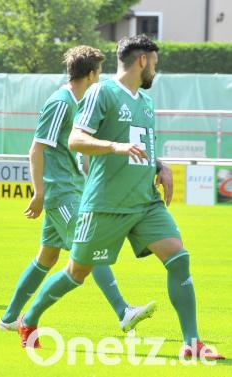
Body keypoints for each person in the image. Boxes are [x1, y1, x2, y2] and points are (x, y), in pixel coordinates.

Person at [17, 35, 224, 360]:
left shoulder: (146, 102)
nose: (155, 69)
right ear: (142, 60)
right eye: (154, 62)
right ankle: (28, 320)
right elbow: (76, 139)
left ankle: (192, 343)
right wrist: (114, 147)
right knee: (76, 273)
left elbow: (139, 146)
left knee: (178, 257)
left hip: (144, 202)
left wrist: (160, 165)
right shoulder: (101, 92)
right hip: (105, 205)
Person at [0, 45, 154, 334]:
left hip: (72, 188)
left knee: (47, 257)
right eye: (100, 72)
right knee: (89, 249)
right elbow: (36, 149)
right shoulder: (61, 102)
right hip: (60, 192)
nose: (102, 78)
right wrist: (39, 192)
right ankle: (123, 311)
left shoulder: (80, 103)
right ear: (92, 74)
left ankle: (9, 318)